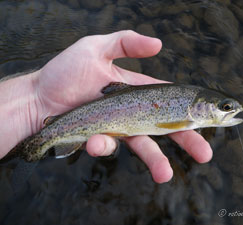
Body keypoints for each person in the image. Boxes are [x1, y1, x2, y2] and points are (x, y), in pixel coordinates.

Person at [0, 30, 212, 183]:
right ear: (200, 107)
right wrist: (34, 94)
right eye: (226, 107)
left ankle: (26, 155)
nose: (230, 111)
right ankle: (29, 153)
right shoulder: (184, 118)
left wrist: (33, 97)